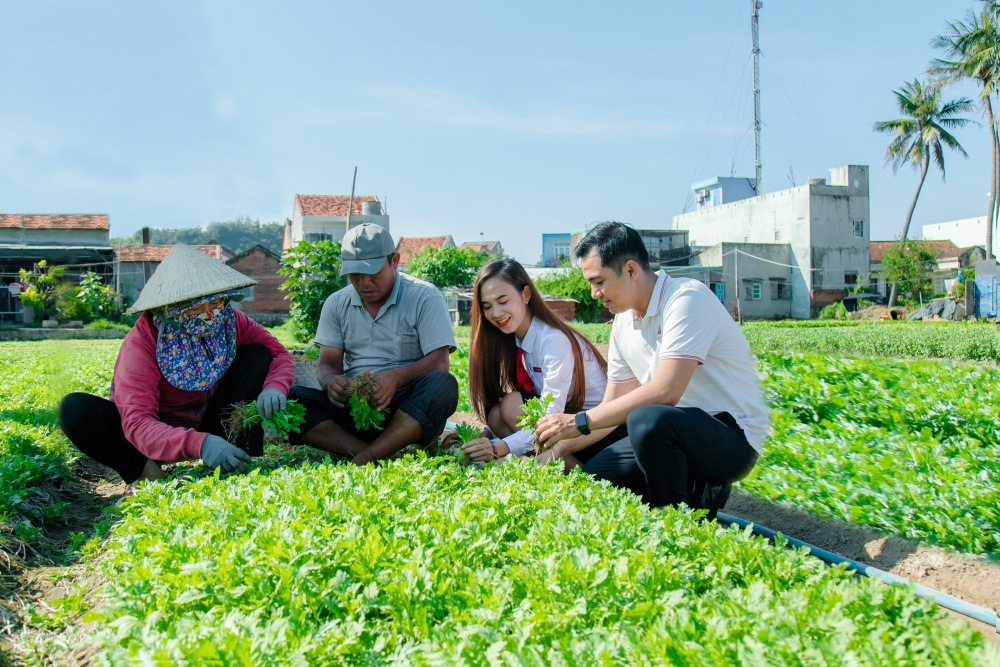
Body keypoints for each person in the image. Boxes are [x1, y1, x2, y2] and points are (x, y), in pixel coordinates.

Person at [535, 222, 769, 519]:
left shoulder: (686, 299)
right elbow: (610, 410)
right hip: (671, 433)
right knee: (597, 478)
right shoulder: (622, 322)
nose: (594, 293)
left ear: (631, 270)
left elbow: (665, 392)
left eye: (599, 281)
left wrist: (577, 421)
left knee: (646, 418)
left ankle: (675, 519)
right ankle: (683, 490)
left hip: (732, 436)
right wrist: (556, 449)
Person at [59, 244, 295, 487]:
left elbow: (278, 353)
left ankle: (236, 457)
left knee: (258, 354)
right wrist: (201, 444)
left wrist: (275, 387)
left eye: (214, 304)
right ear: (170, 308)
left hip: (209, 419)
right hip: (151, 435)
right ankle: (146, 472)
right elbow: (139, 423)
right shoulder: (142, 343)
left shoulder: (230, 321)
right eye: (195, 307)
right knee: (76, 410)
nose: (209, 315)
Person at [289, 223, 458, 464]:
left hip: (408, 409)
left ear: (395, 261)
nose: (364, 282)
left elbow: (439, 363)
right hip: (353, 409)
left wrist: (396, 378)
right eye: (355, 274)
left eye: (373, 273)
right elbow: (327, 364)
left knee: (443, 386)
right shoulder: (336, 304)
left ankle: (368, 455)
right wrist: (331, 382)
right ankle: (375, 451)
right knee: (288, 399)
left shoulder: (424, 297)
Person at [461, 258, 625, 469]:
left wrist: (497, 448)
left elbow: (550, 418)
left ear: (526, 294)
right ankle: (544, 463)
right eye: (487, 307)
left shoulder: (552, 340)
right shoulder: (517, 339)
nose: (496, 313)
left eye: (503, 302)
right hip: (568, 419)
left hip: (598, 428)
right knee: (498, 414)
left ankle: (576, 472)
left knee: (512, 409)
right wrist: (486, 436)